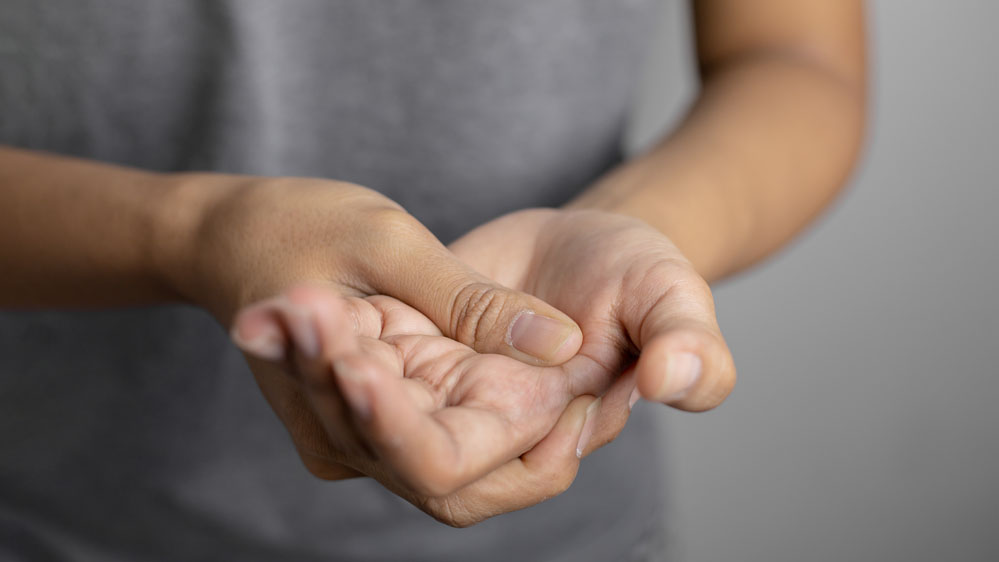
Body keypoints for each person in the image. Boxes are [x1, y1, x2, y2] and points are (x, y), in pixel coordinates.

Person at [0, 1, 866, 560]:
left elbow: (793, 56)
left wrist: (639, 225)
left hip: (563, 532)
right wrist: (189, 235)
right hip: (52, 522)